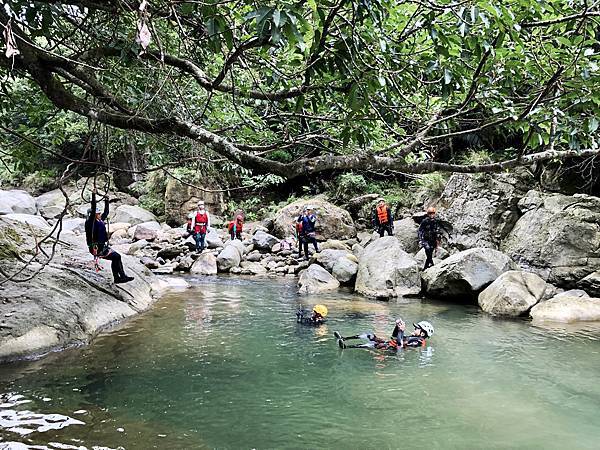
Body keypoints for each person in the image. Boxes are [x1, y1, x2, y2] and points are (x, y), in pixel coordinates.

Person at [85, 189, 134, 284]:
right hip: (96, 248)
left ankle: (119, 277)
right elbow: (93, 206)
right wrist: (93, 195)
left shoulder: (99, 221)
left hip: (101, 246)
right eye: (97, 214)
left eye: (99, 214)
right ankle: (120, 277)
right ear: (93, 215)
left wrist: (107, 200)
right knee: (116, 256)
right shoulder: (91, 223)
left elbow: (106, 213)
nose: (99, 215)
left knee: (117, 257)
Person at [334, 319, 434, 350]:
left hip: (391, 349)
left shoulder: (419, 341)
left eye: (417, 328)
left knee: (372, 345)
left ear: (423, 332)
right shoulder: (413, 337)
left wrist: (402, 331)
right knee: (370, 335)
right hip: (390, 343)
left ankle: (346, 347)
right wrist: (397, 327)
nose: (414, 329)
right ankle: (344, 338)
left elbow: (400, 345)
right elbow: (394, 337)